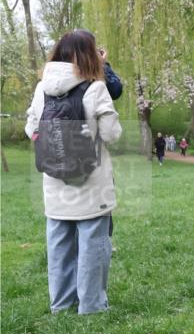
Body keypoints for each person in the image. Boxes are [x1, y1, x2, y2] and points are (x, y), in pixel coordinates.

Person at [24, 29, 122, 315]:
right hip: (92, 182)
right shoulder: (95, 87)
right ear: (90, 55)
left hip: (54, 182)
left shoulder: (42, 88)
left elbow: (31, 127)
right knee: (93, 246)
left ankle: (61, 304)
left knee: (58, 247)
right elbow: (111, 133)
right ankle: (91, 306)